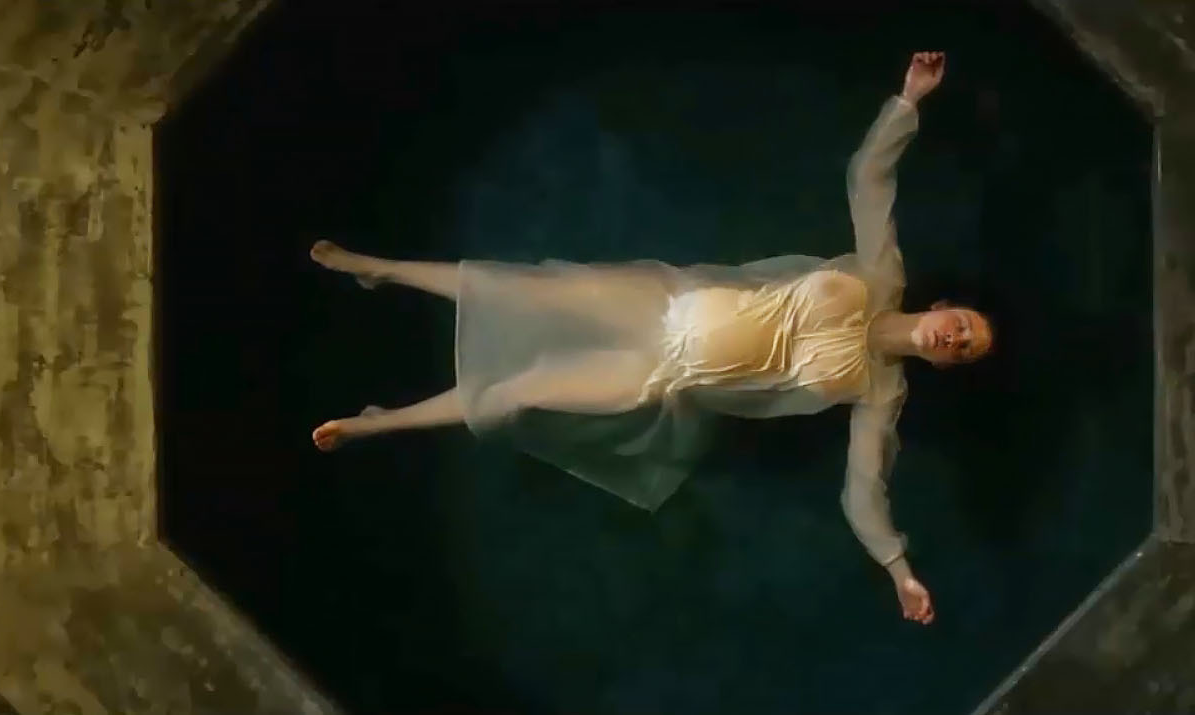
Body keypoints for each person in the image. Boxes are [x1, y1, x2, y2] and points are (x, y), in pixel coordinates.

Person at [309, 52, 991, 625]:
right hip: (662, 305)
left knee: (517, 394)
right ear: (944, 307)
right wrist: (908, 100)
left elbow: (862, 490)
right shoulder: (880, 273)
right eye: (963, 326)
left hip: (660, 377)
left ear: (943, 364)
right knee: (519, 289)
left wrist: (898, 569)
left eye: (962, 350)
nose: (955, 338)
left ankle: (377, 423)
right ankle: (380, 269)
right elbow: (869, 179)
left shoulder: (880, 392)